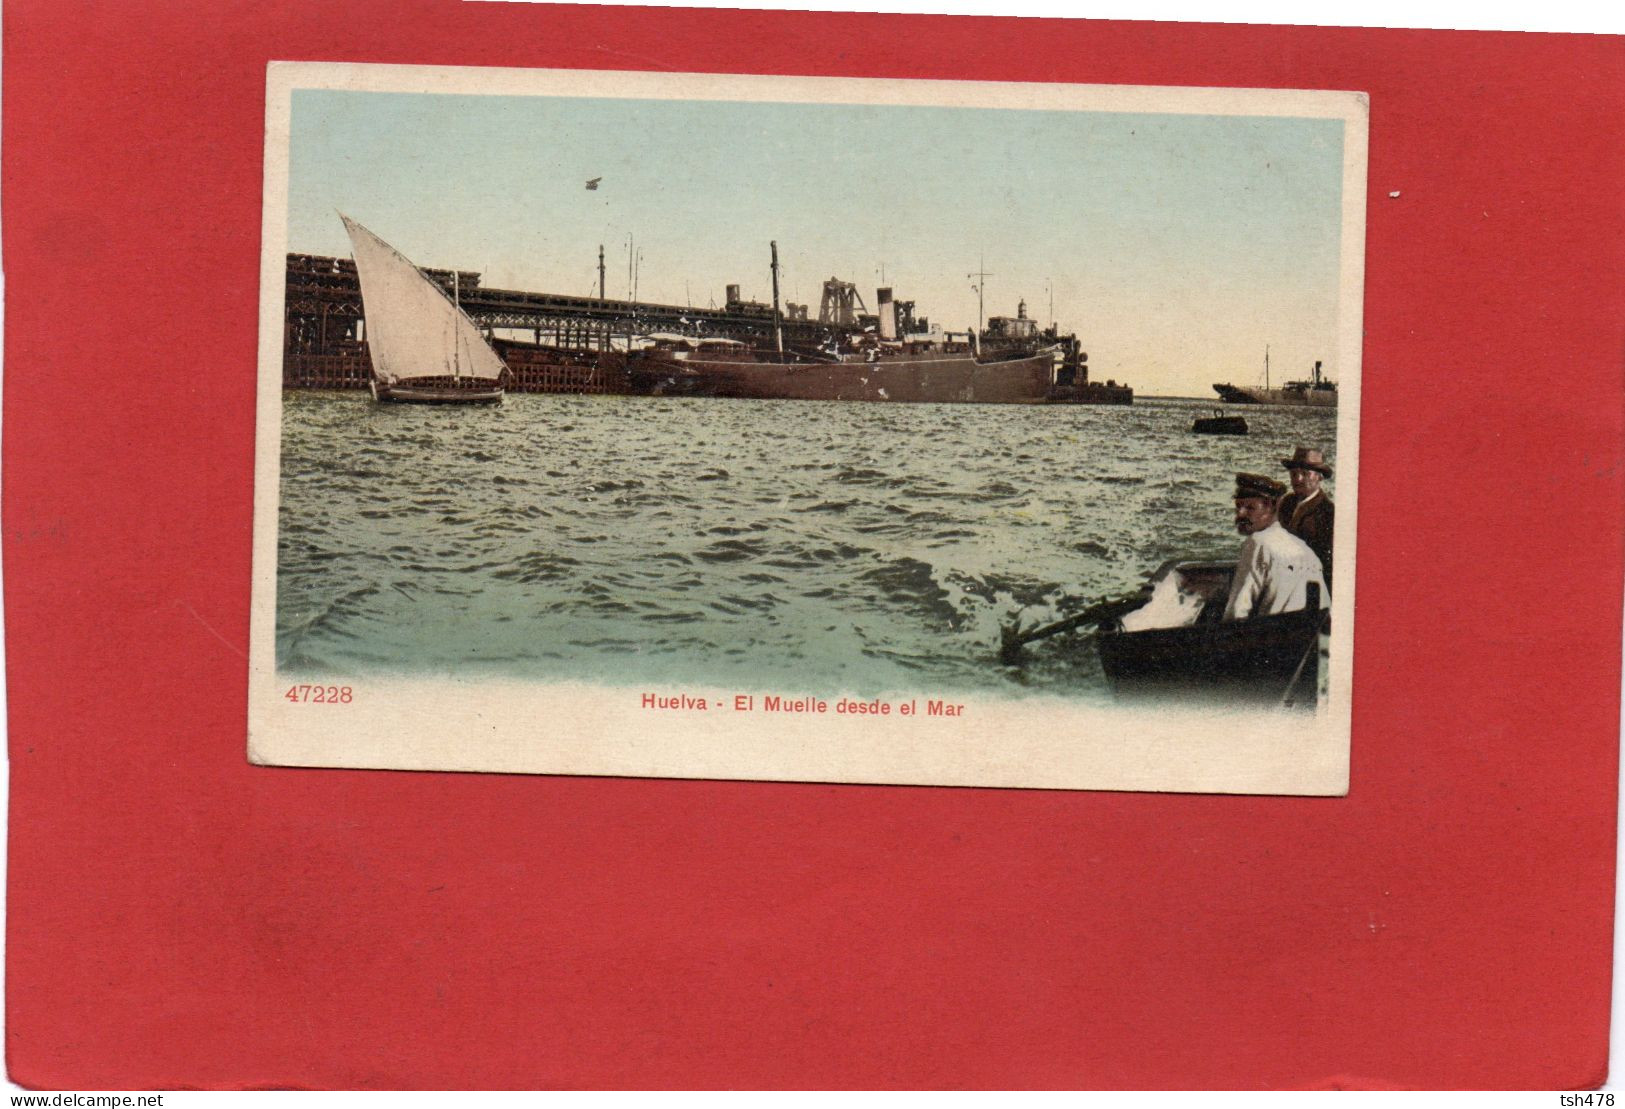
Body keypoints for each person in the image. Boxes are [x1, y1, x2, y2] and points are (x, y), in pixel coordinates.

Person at [1224, 472, 1328, 621]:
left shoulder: (1257, 542)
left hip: (1272, 639)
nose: (1240, 514)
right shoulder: (1303, 549)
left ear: (1272, 508)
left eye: (1250, 508)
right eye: (1238, 507)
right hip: (1308, 637)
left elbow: (1235, 614)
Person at [1276, 446, 1335, 588]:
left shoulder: (1328, 512)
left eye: (1305, 473)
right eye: (1294, 473)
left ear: (1319, 477)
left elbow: (1328, 565)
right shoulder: (1286, 502)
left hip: (1311, 587)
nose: (1298, 479)